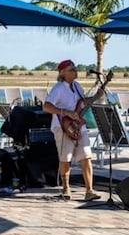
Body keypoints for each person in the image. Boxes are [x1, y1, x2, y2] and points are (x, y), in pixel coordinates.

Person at [42, 59, 103, 201]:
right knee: (66, 158)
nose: (75, 71)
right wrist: (65, 112)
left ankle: (89, 190)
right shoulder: (58, 88)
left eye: (75, 68)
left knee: (86, 156)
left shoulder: (77, 86)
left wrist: (95, 97)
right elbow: (46, 106)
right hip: (63, 127)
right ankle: (66, 188)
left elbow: (81, 102)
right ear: (63, 73)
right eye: (72, 69)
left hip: (79, 126)